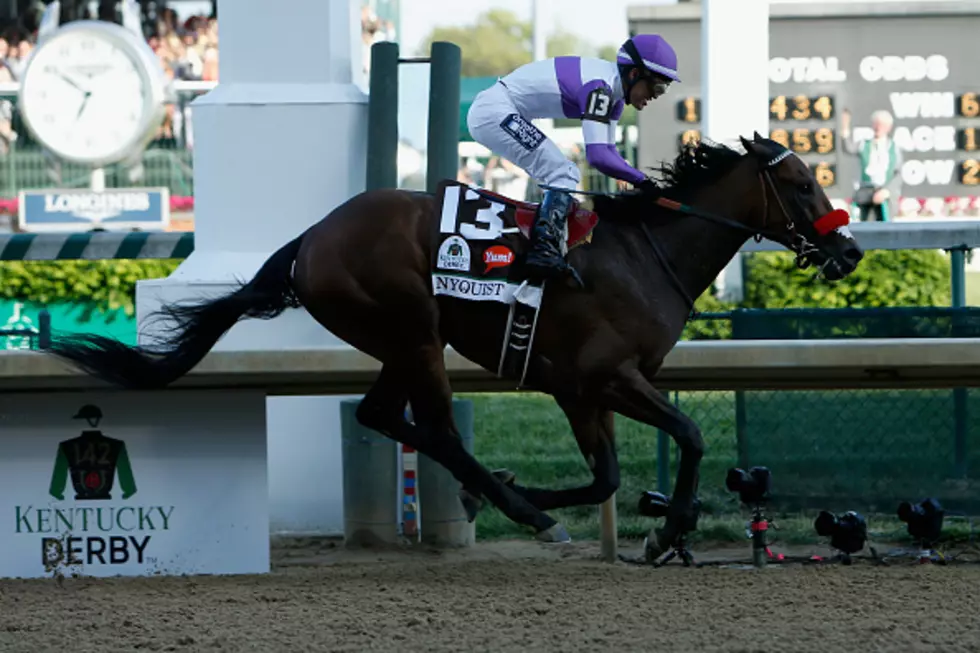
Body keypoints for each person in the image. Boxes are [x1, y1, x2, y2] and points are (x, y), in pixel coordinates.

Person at [466, 34, 679, 286]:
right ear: (634, 74)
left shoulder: (614, 98)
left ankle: (549, 245)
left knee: (563, 172)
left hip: (500, 109)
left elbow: (608, 153)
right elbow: (598, 156)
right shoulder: (600, 88)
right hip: (493, 112)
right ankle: (544, 250)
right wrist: (642, 180)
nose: (656, 96)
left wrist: (640, 181)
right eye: (657, 87)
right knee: (563, 172)